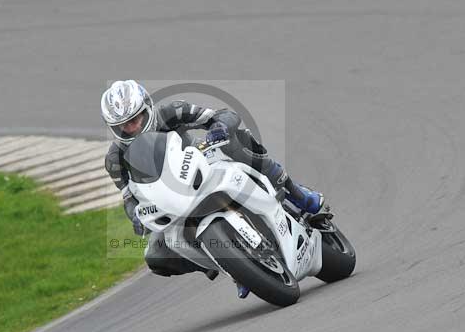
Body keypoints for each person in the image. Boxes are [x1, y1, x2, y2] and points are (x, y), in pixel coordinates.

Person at [101, 80, 323, 298]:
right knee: (156, 256)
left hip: (201, 163)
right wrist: (136, 218)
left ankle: (297, 193)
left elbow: (224, 115)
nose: (131, 128)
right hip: (169, 199)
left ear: (147, 108)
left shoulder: (171, 111)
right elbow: (129, 198)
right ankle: (233, 267)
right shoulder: (115, 159)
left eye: (135, 119)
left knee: (236, 141)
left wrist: (219, 127)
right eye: (124, 125)